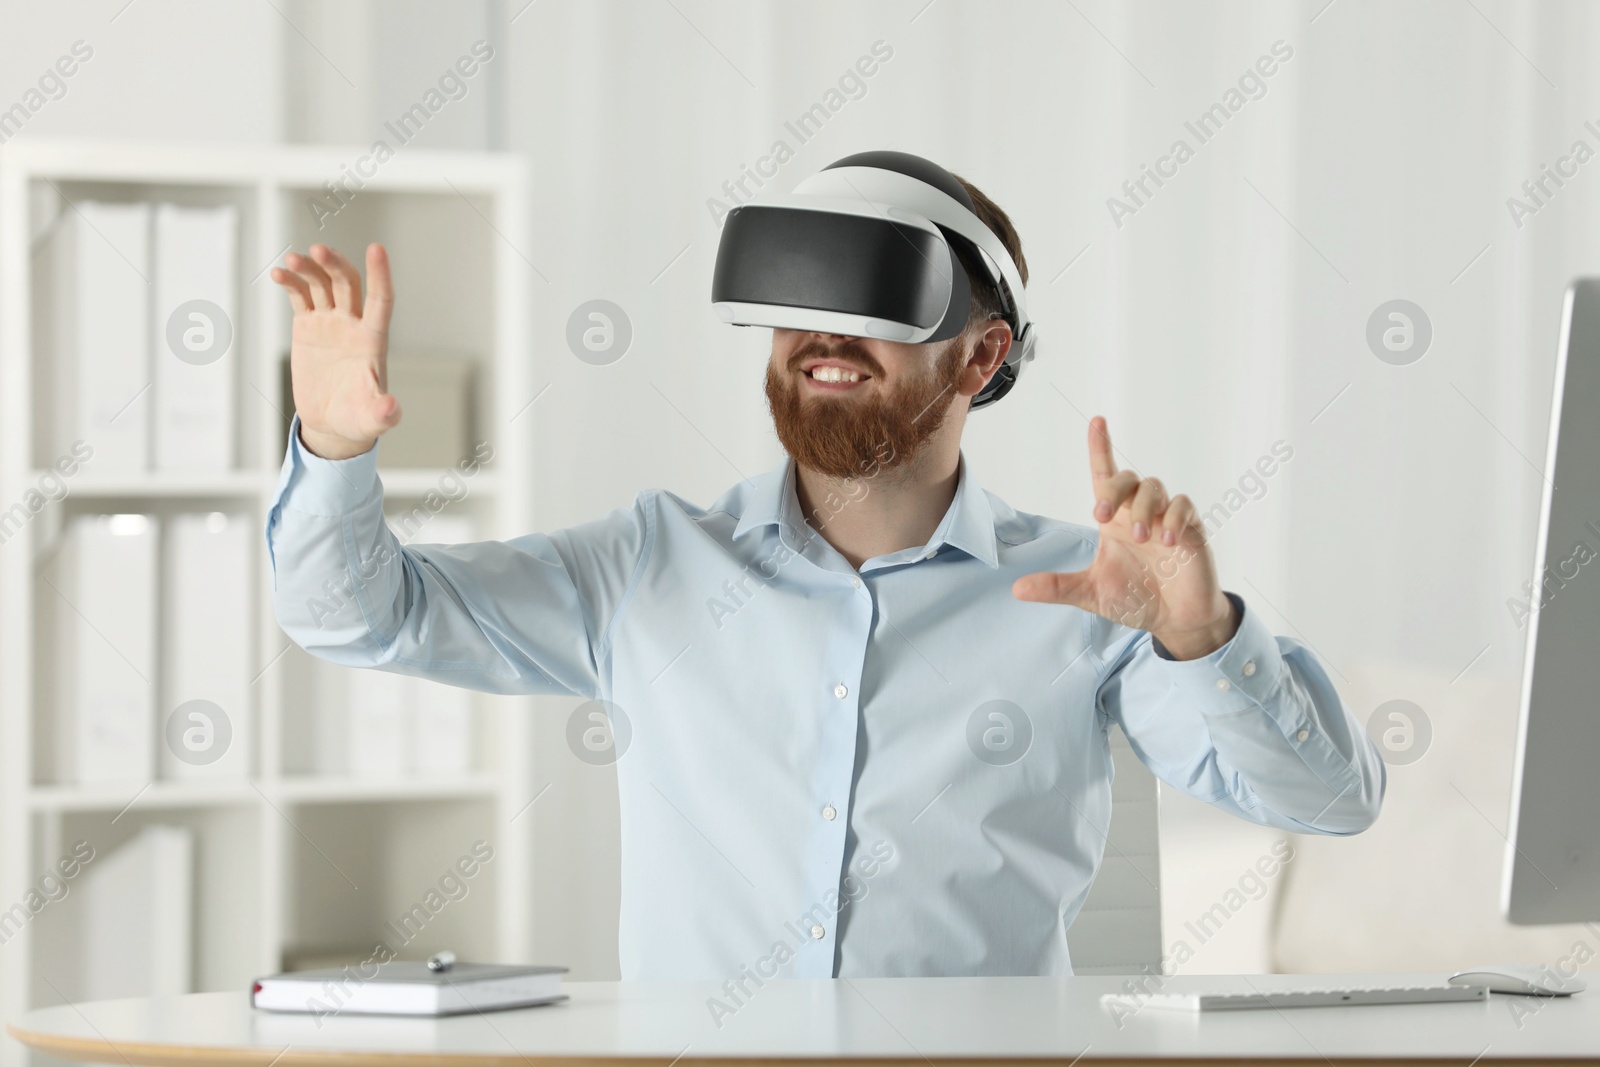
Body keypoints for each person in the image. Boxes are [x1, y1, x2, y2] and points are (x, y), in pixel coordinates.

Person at [265, 162, 1385, 983]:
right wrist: (331, 450)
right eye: (799, 305)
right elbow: (357, 619)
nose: (824, 336)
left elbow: (1328, 801)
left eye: (870, 306)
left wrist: (1198, 635)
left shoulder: (1087, 594)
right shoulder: (648, 565)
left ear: (982, 354)